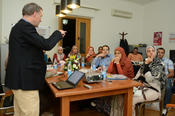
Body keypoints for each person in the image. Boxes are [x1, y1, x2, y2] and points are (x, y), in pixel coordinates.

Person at [5, 3, 66, 116]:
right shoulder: (25, 27)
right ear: (34, 14)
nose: (41, 20)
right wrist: (58, 34)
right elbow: (46, 44)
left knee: (20, 113)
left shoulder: (19, 27)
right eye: (41, 16)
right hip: (25, 82)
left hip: (20, 80)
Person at [131, 46, 166, 116]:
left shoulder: (159, 64)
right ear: (146, 53)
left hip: (155, 90)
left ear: (155, 53)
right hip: (142, 88)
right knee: (127, 96)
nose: (151, 53)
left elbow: (150, 79)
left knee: (131, 100)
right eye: (148, 51)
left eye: (152, 51)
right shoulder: (144, 63)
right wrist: (135, 81)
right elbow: (137, 77)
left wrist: (147, 65)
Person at [157, 47, 174, 115]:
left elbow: (172, 73)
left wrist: (163, 77)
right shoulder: (153, 61)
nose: (160, 54)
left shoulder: (168, 61)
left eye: (162, 53)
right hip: (156, 78)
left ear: (164, 54)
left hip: (166, 78)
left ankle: (165, 107)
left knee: (168, 88)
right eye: (158, 52)